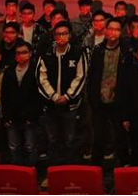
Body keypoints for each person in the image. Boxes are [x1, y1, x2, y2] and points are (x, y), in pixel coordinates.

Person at [36, 21, 87, 166]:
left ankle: (70, 170)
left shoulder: (77, 52)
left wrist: (67, 96)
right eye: (58, 34)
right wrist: (53, 96)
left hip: (70, 105)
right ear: (54, 36)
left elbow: (81, 76)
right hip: (50, 105)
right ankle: (54, 171)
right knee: (53, 140)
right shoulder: (46, 53)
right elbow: (41, 77)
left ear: (69, 35)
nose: (61, 37)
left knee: (70, 139)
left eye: (64, 33)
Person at [89, 18, 126, 165]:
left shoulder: (126, 51)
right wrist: (93, 98)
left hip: (119, 101)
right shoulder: (98, 50)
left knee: (120, 136)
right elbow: (92, 77)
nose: (113, 32)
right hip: (100, 100)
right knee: (99, 137)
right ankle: (95, 169)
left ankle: (122, 168)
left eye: (117, 29)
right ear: (106, 30)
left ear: (121, 32)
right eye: (110, 29)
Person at [1, 40, 40, 167]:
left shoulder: (36, 70)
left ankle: (31, 170)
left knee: (30, 146)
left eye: (24, 52)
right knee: (13, 146)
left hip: (29, 115)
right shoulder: (9, 70)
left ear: (30, 53)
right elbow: (4, 95)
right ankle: (16, 171)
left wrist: (32, 115)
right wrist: (5, 115)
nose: (21, 55)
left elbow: (38, 96)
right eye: (18, 53)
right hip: (12, 115)